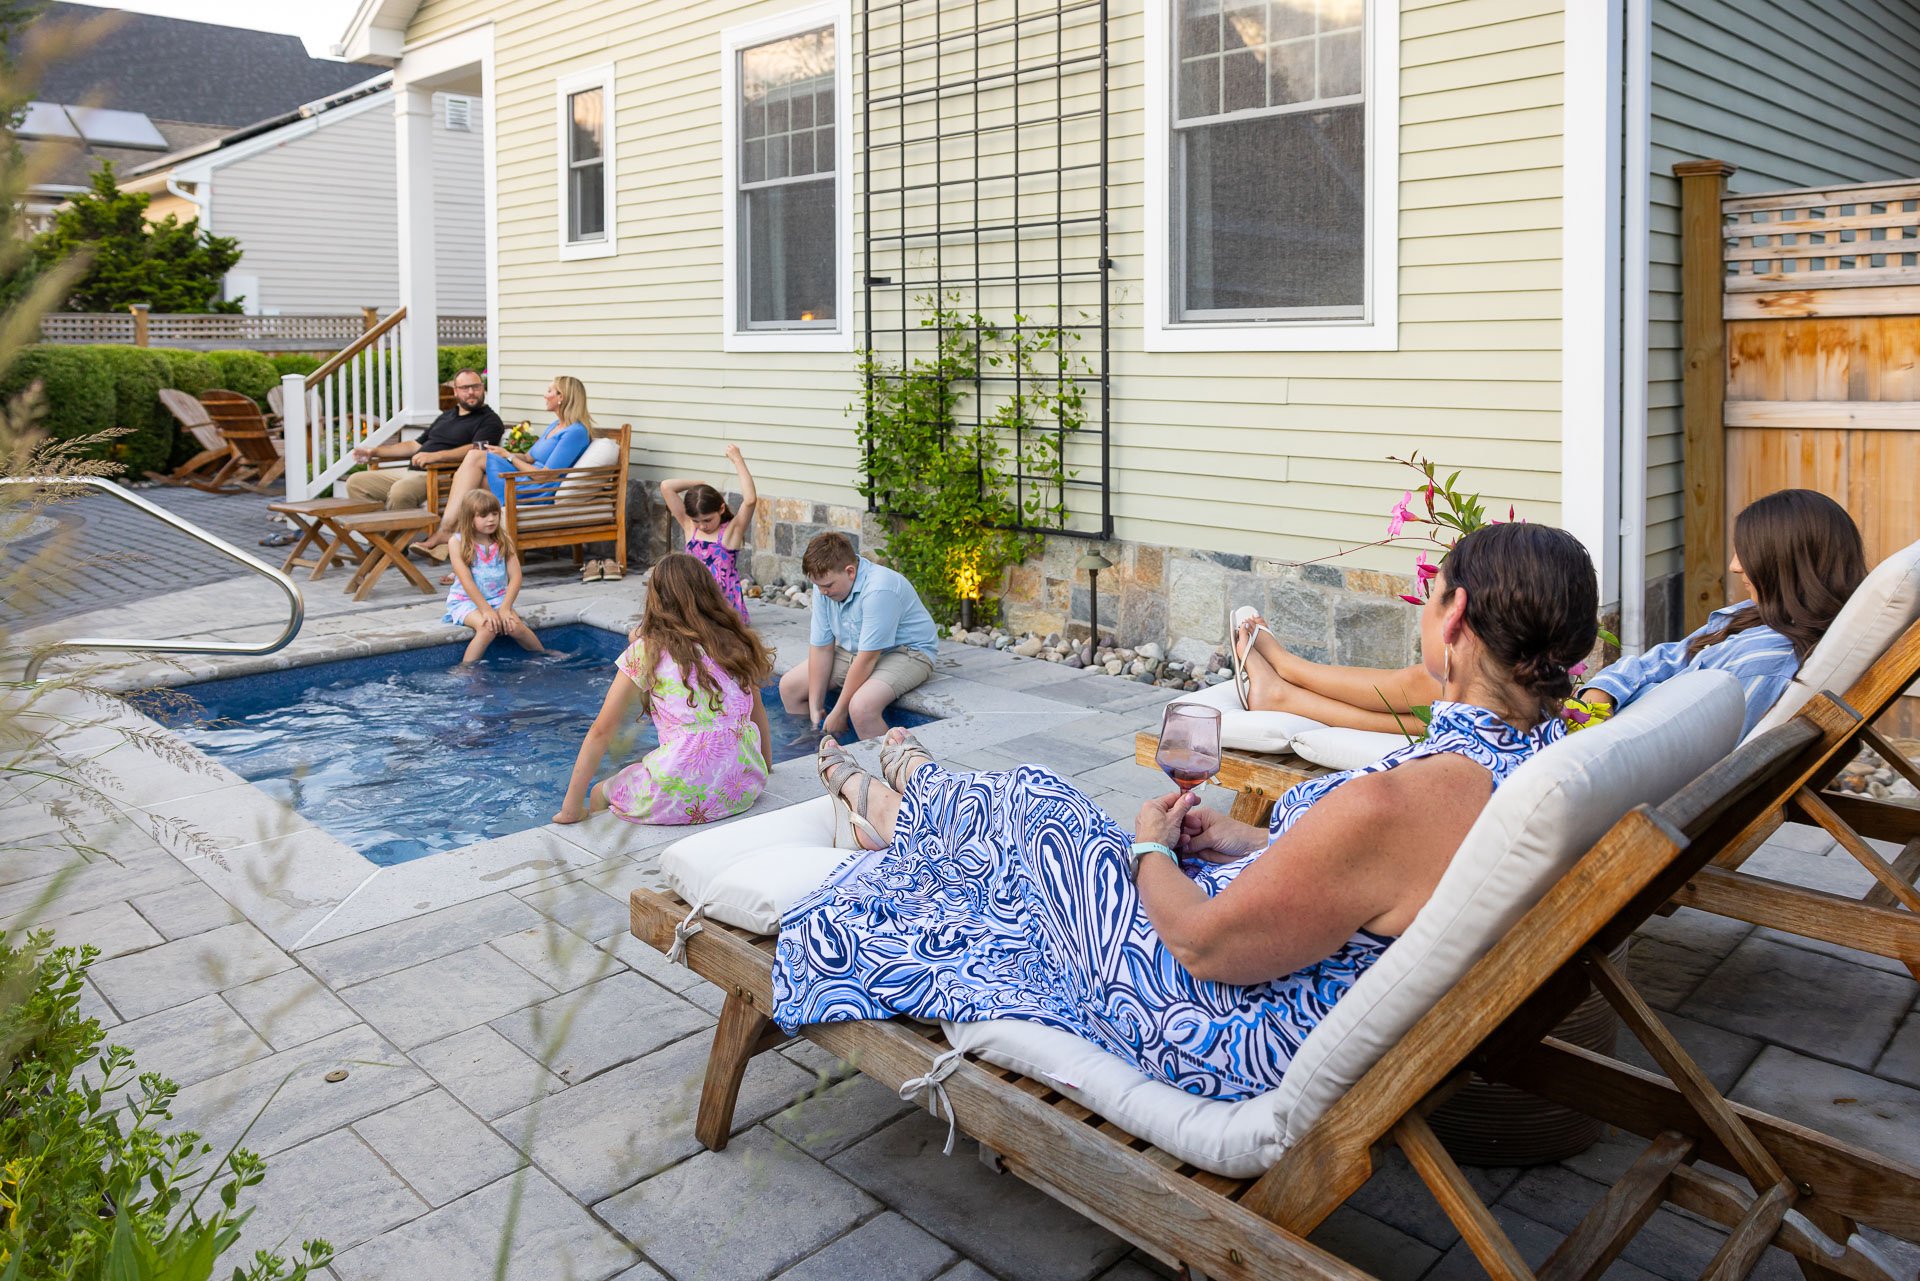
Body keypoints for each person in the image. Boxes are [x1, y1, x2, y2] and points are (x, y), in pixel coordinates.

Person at [775, 522, 1599, 1100]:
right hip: (1282, 966)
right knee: (1044, 821)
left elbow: (1205, 944)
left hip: (1209, 1018)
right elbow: (1370, 882)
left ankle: (892, 800)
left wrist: (1151, 851)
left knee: (1040, 805)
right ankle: (904, 801)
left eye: (1431, 594)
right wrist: (1245, 837)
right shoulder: (1535, 759)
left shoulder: (1406, 801)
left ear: (1454, 614)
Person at [1229, 488, 1865, 740]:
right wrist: (1605, 694)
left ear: (1791, 564)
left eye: (1748, 554)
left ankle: (1287, 682)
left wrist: (1597, 722)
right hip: (1605, 720)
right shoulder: (1757, 621)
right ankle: (1284, 686)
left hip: (1608, 749)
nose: (1734, 564)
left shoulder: (1764, 659)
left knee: (1443, 684)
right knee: (1447, 685)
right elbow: (1664, 661)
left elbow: (1698, 738)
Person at [554, 553, 772, 826]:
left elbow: (601, 731)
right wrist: (766, 766)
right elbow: (757, 713)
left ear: (655, 600)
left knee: (600, 791)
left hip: (678, 798)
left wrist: (570, 810)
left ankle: (593, 835)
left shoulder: (647, 652)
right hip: (742, 790)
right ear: (709, 594)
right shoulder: (736, 643)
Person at [779, 531, 939, 742]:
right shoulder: (824, 588)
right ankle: (814, 745)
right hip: (856, 650)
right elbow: (822, 648)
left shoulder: (879, 589)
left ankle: (892, 761)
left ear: (850, 572)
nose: (822, 592)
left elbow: (867, 660)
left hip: (908, 653)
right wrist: (815, 708)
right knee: (789, 687)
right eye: (818, 586)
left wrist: (839, 712)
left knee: (861, 707)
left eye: (828, 586)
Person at [419, 375, 596, 557]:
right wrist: (500, 452)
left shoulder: (575, 432)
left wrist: (509, 457)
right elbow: (528, 457)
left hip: (537, 488)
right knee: (475, 481)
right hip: (524, 478)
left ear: (561, 397)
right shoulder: (555, 426)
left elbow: (545, 475)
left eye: (549, 391)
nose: (545, 395)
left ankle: (448, 532)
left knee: (474, 457)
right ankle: (461, 547)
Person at [344, 368, 503, 510]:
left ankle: (399, 534)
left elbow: (477, 450)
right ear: (455, 391)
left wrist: (435, 456)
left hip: (442, 474)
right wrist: (374, 451)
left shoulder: (490, 420)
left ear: (482, 388)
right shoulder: (446, 416)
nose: (471, 392)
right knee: (356, 482)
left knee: (401, 491)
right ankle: (379, 532)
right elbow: (414, 445)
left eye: (475, 387)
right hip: (412, 471)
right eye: (465, 388)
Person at [444, 489, 543, 664]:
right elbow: (466, 581)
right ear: (469, 518)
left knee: (514, 627)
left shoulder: (503, 540)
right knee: (487, 628)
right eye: (483, 515)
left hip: (498, 599)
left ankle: (544, 655)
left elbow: (516, 576)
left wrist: (505, 608)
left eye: (494, 514)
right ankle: (465, 670)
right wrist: (486, 610)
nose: (491, 519)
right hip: (466, 600)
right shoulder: (457, 542)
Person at [662, 444, 759, 621]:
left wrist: (737, 459)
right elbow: (666, 486)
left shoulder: (731, 531)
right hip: (695, 607)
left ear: (721, 509)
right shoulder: (690, 527)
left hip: (724, 611)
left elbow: (750, 500)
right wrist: (700, 484)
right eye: (696, 520)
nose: (702, 526)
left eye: (707, 520)